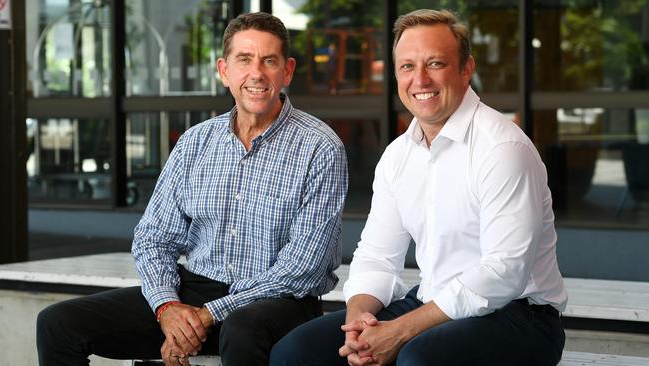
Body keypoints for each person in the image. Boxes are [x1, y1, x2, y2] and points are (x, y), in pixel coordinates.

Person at [37, 12, 348, 366]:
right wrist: (168, 307)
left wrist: (208, 314)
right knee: (58, 324)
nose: (256, 74)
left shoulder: (320, 147)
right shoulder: (195, 142)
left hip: (279, 302)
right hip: (193, 290)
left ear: (287, 71)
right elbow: (154, 236)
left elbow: (302, 267)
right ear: (224, 70)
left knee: (242, 330)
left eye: (269, 61)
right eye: (244, 60)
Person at [271, 9, 567, 366]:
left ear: (466, 69)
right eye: (408, 66)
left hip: (522, 317)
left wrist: (400, 330)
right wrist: (358, 321)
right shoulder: (398, 156)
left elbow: (503, 273)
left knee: (418, 359)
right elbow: (378, 257)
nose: (420, 80)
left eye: (436, 64)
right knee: (296, 352)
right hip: (433, 302)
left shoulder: (502, 149)